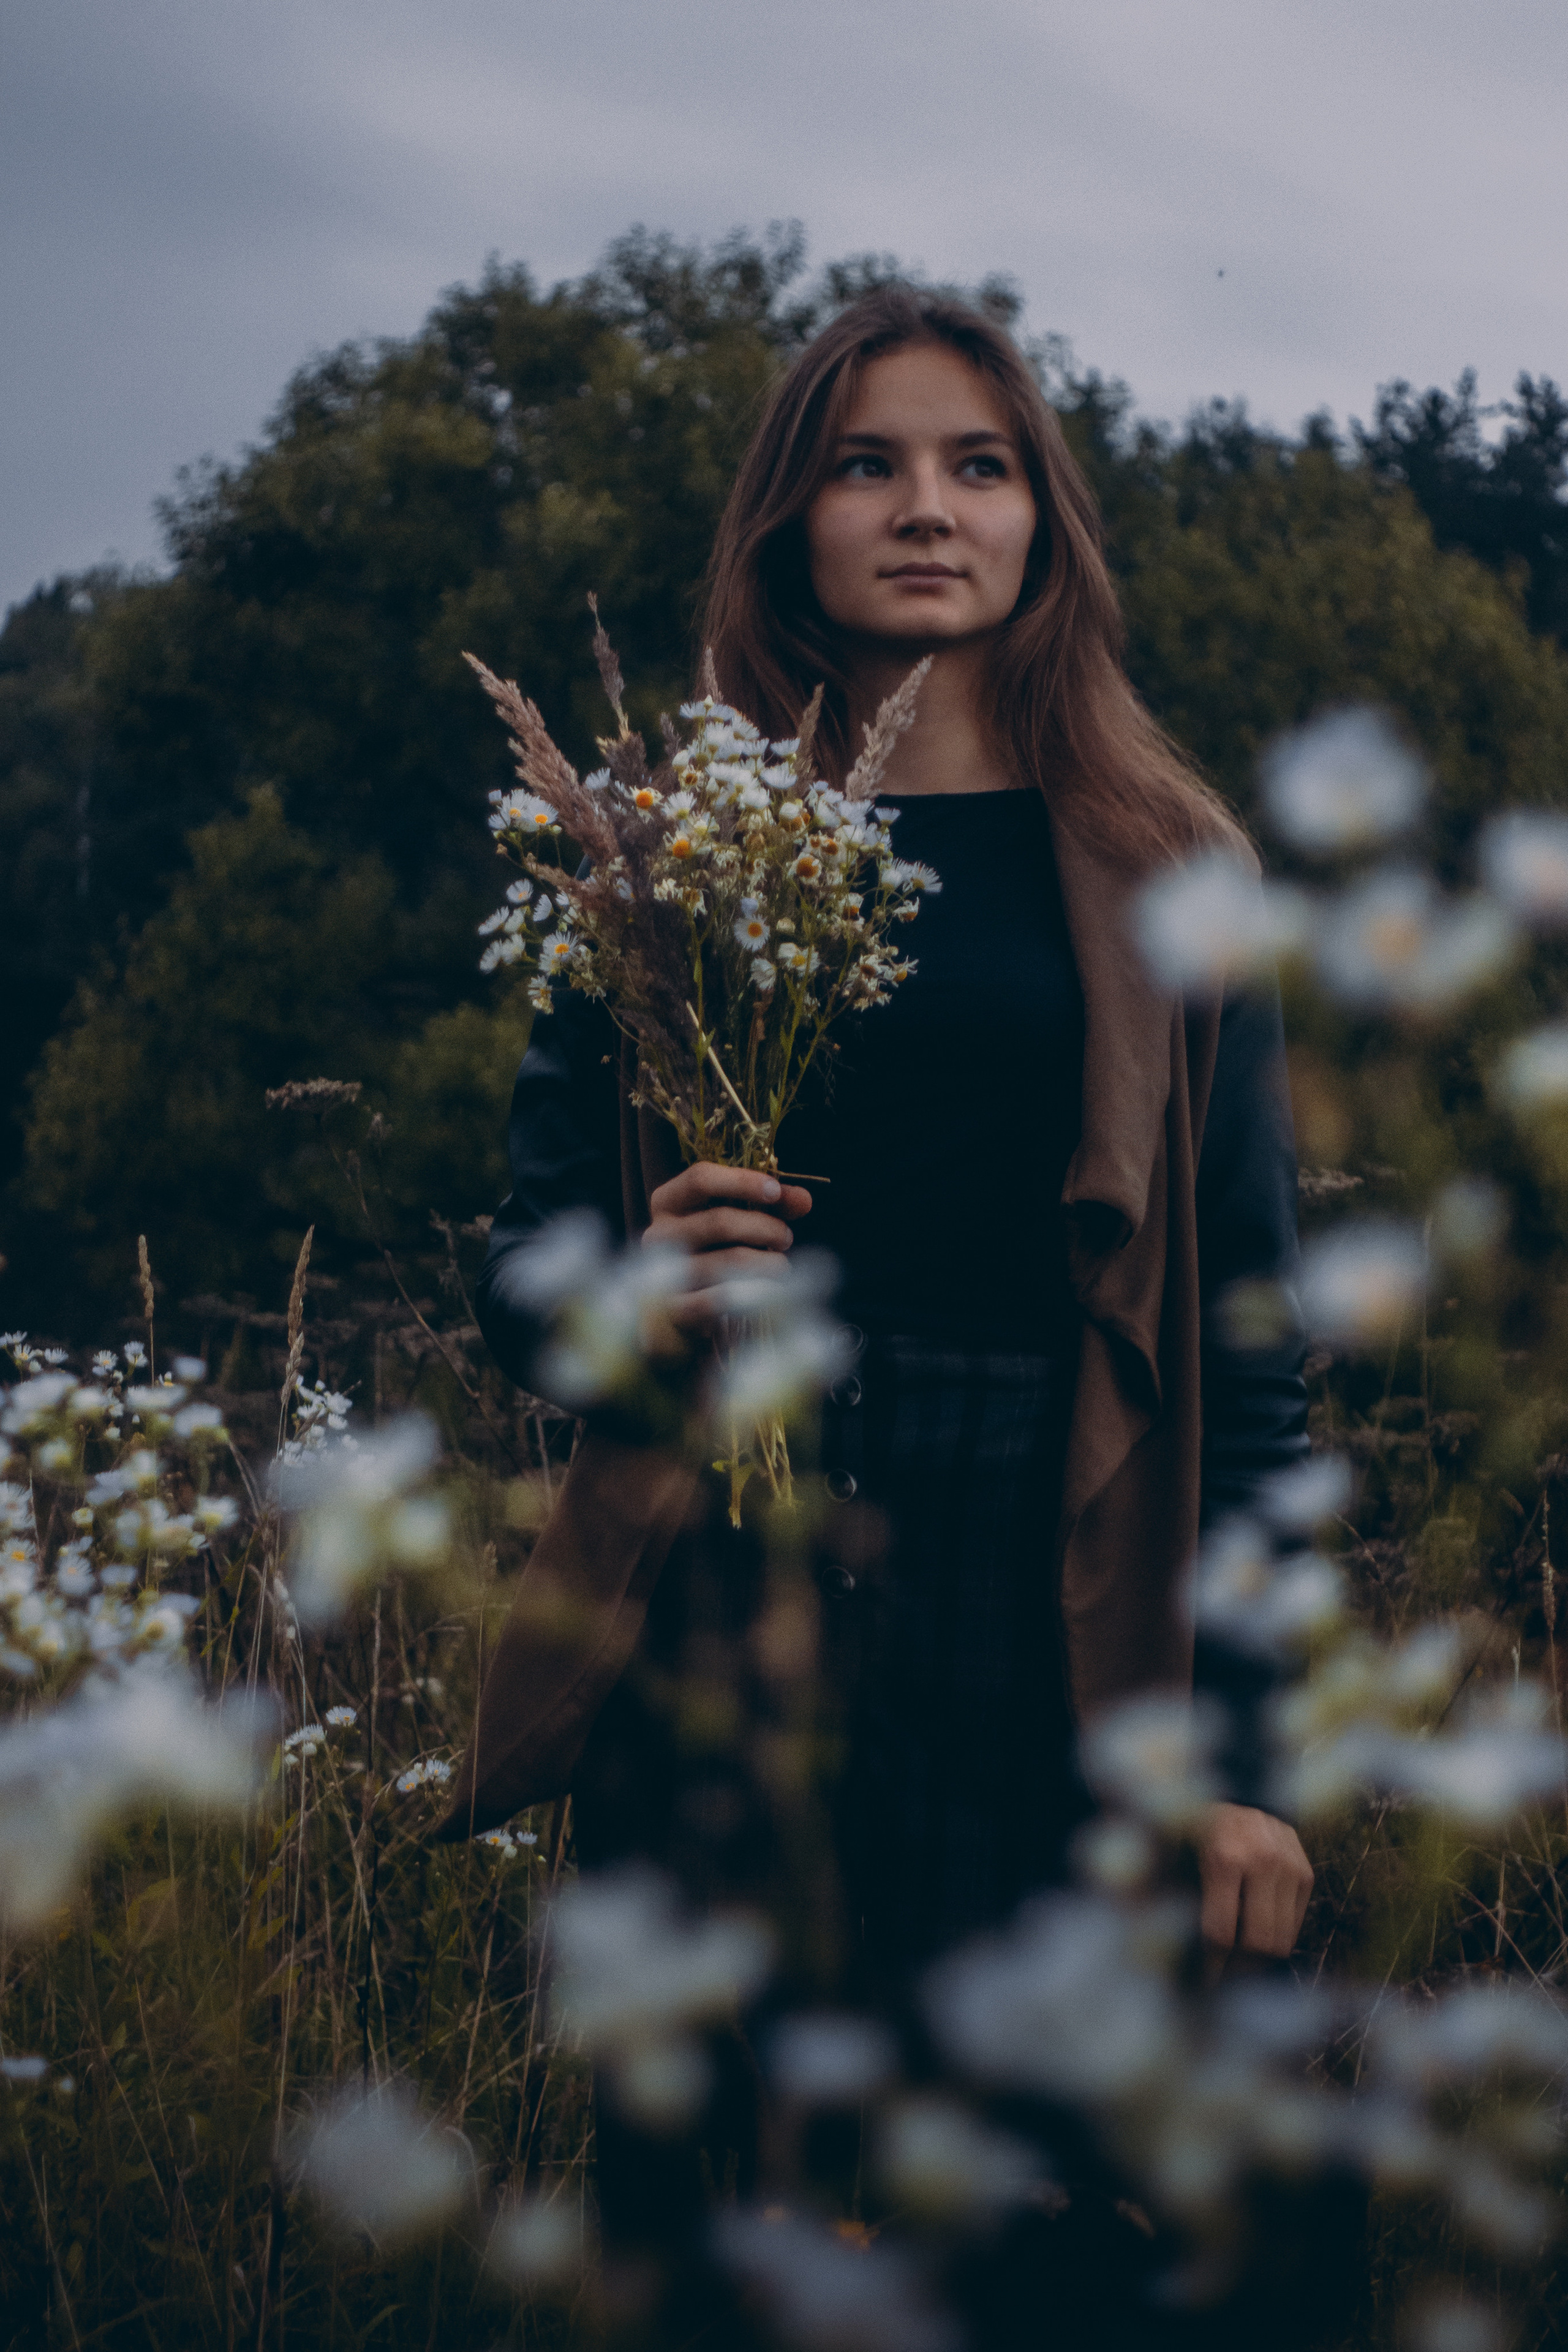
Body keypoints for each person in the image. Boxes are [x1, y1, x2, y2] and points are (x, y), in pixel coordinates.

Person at [440, 284, 1319, 2338]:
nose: (927, 508)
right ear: (789, 525)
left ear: (1041, 522)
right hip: (734, 1609)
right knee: (733, 2240)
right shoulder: (653, 858)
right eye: (867, 463)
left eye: (978, 464)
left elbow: (1255, 1355)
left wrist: (1252, 1745)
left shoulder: (1169, 863)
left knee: (1045, 2231)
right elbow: (520, 1276)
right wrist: (630, 1297)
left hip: (1056, 1619)